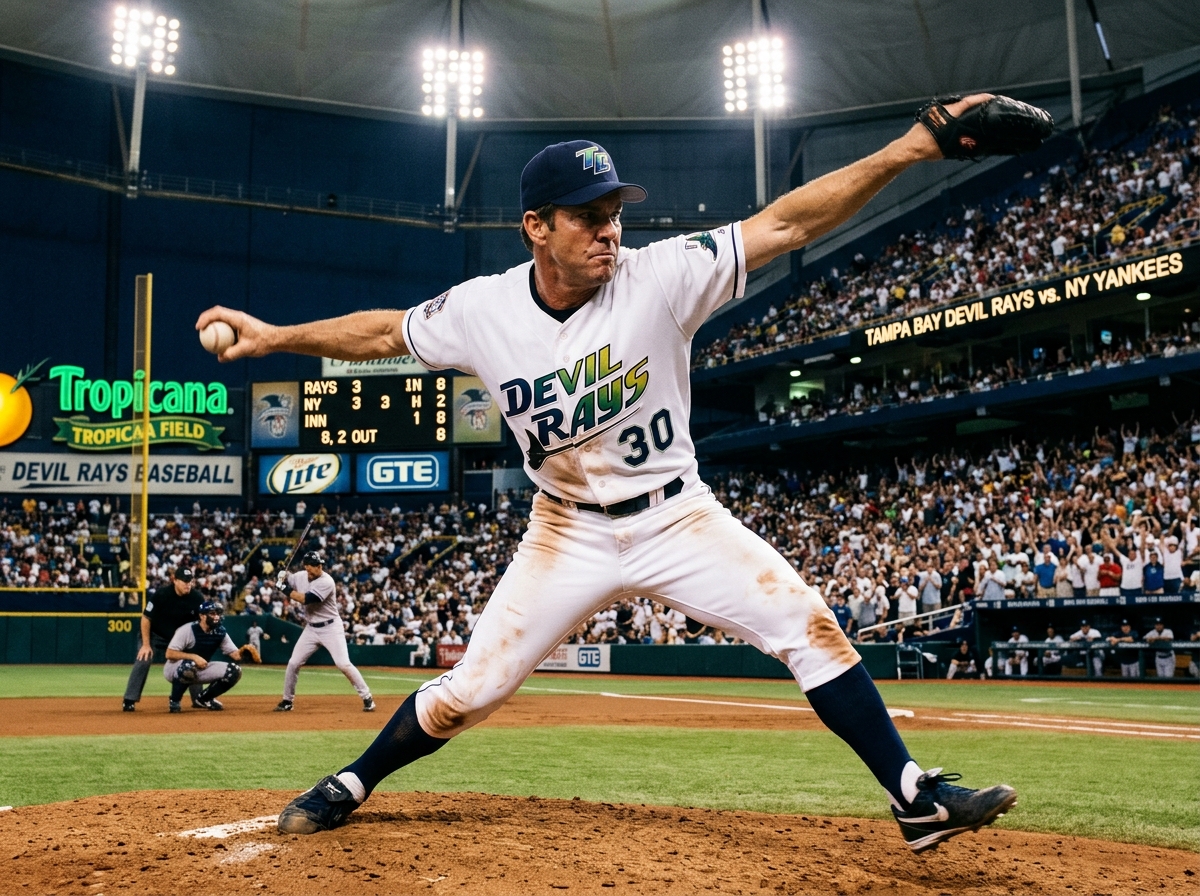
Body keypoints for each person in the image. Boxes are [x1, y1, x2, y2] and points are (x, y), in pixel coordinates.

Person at [198, 99, 1019, 853]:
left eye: (615, 214)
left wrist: (912, 148)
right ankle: (352, 780)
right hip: (566, 531)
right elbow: (384, 333)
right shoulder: (483, 309)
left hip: (677, 517)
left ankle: (914, 797)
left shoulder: (661, 279)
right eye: (588, 218)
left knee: (808, 624)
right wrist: (273, 337)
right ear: (535, 227)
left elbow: (786, 225)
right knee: (468, 693)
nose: (608, 232)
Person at [274, 551, 375, 713]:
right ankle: (287, 700)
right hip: (311, 628)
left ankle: (367, 697)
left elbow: (305, 599)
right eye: (314, 566)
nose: (318, 567)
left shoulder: (327, 581)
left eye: (319, 564)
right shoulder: (300, 576)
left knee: (343, 664)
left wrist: (284, 589)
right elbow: (288, 578)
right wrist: (281, 573)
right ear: (307, 567)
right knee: (293, 663)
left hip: (331, 628)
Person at [122, 567, 205, 711]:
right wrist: (146, 644)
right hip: (155, 635)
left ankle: (198, 699)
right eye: (184, 581)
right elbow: (146, 618)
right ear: (175, 580)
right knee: (144, 658)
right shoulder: (161, 595)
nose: (188, 584)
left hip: (179, 639)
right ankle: (129, 699)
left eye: (190, 581)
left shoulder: (197, 598)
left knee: (194, 659)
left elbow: (201, 623)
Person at [162, 600, 244, 712]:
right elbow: (169, 654)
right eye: (212, 613)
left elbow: (236, 655)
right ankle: (175, 701)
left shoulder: (220, 632)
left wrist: (245, 652)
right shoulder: (188, 629)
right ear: (202, 616)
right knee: (189, 665)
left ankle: (204, 699)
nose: (216, 617)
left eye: (218, 613)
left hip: (201, 667)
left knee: (235, 671)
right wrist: (194, 657)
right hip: (174, 668)